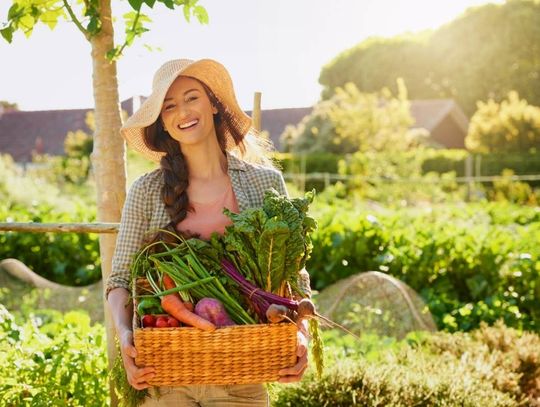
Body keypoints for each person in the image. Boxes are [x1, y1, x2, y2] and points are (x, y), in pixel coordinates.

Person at [105, 58, 311, 406]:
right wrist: (125, 336)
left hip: (242, 378)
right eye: (169, 106)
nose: (182, 111)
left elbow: (292, 273)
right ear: (163, 124)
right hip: (166, 378)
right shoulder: (147, 190)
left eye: (192, 97)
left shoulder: (264, 183)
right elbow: (120, 279)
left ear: (214, 103)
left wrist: (301, 333)